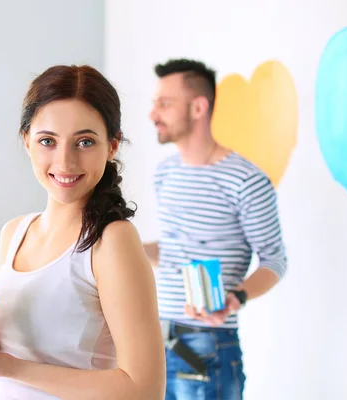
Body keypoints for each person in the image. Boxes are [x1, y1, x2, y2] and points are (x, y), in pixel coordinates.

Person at [0, 65, 167, 399]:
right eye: (48, 141)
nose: (65, 162)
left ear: (112, 146)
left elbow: (145, 389)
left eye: (85, 142)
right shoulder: (14, 233)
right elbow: (7, 354)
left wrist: (10, 368)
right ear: (27, 142)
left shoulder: (112, 240)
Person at [143, 58, 288, 399]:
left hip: (207, 347)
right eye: (154, 104)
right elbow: (174, 250)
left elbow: (275, 260)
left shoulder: (245, 180)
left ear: (198, 107)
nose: (153, 114)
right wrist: (125, 244)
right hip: (156, 339)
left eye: (164, 104)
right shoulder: (165, 173)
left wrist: (235, 297)